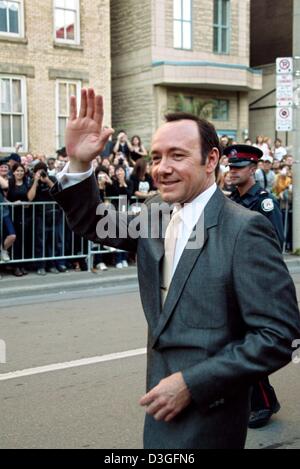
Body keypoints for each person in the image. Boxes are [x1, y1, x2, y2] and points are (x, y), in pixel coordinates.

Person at [51, 88, 300, 449]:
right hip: (159, 399)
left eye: (177, 156)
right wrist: (79, 163)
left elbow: (280, 336)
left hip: (212, 412)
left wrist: (193, 384)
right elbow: (95, 222)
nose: (161, 168)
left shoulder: (244, 229)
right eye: (156, 157)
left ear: (211, 159)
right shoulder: (156, 212)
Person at [224, 144, 284, 428]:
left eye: (238, 168)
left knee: (250, 342)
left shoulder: (264, 203)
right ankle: (256, 398)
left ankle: (262, 402)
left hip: (253, 282)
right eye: (230, 167)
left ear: (253, 169)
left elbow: (273, 244)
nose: (232, 172)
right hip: (230, 280)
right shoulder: (230, 200)